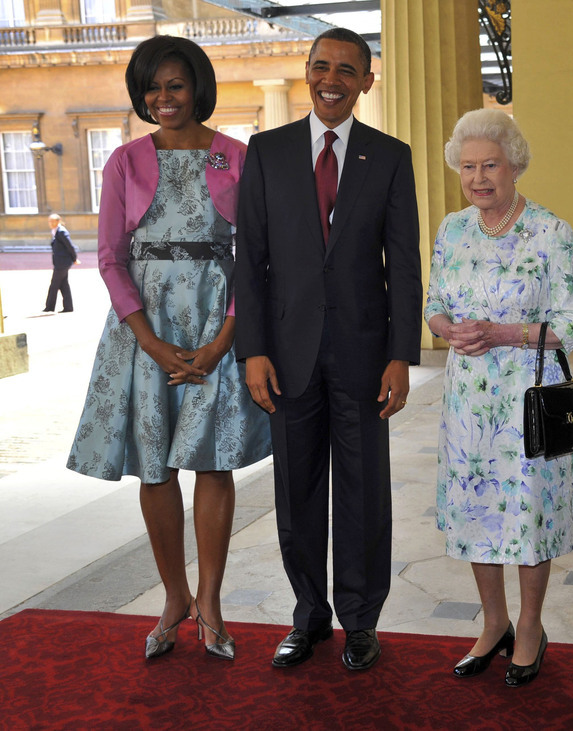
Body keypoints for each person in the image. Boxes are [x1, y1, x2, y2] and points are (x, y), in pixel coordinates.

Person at [67, 35, 271, 662]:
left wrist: (223, 341)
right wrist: (152, 343)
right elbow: (108, 259)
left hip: (218, 326)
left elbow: (256, 259)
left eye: (175, 86)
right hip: (143, 334)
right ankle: (173, 598)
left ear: (199, 88)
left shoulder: (238, 156)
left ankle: (209, 601)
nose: (163, 98)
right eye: (152, 88)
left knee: (212, 462)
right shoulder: (124, 161)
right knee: (155, 468)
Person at [235, 27, 422, 672]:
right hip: (286, 357)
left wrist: (402, 353)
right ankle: (309, 616)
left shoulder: (390, 157)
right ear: (306, 72)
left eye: (347, 69)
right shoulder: (267, 152)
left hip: (367, 357)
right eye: (321, 67)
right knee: (297, 493)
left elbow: (404, 263)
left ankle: (361, 620)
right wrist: (252, 350)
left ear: (367, 81)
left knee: (365, 492)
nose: (332, 79)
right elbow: (250, 261)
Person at [425, 108, 573, 687]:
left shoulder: (550, 231)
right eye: (468, 167)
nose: (478, 178)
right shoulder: (451, 230)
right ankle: (492, 622)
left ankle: (529, 626)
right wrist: (447, 329)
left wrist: (505, 333)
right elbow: (433, 306)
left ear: (513, 164)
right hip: (468, 403)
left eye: (490, 165)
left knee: (527, 514)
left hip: (526, 399)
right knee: (478, 512)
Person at [43, 213, 76, 313]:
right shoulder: (56, 231)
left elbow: (70, 246)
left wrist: (74, 258)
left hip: (63, 263)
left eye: (52, 221)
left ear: (58, 221)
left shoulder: (61, 232)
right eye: (49, 221)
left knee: (54, 284)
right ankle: (68, 307)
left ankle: (49, 307)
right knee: (63, 284)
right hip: (60, 262)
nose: (50, 223)